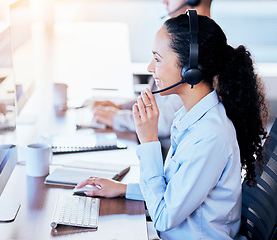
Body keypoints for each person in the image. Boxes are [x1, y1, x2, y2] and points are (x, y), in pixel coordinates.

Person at [77, 12, 268, 239]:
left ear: (190, 69)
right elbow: (172, 191)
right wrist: (124, 189)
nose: (150, 67)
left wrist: (148, 140)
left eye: (157, 59)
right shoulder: (188, 116)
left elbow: (164, 217)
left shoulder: (210, 136)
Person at [92, 0, 213, 138]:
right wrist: (121, 107)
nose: (164, 1)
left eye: (157, 59)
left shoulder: (200, 52)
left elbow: (164, 121)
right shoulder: (176, 43)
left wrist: (116, 117)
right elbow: (155, 100)